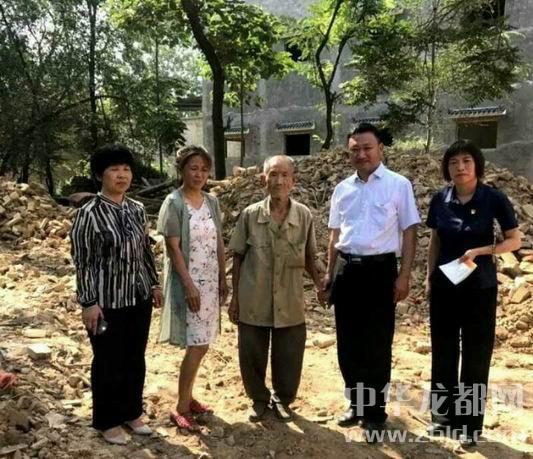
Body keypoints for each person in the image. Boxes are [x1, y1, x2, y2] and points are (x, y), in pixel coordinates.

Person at [323, 123, 420, 441]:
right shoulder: (342, 189)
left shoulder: (398, 185)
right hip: (347, 271)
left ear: (380, 149)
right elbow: (335, 235)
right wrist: (329, 273)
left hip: (380, 272)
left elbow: (409, 232)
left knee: (377, 343)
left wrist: (404, 275)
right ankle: (356, 404)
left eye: (367, 148)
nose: (361, 154)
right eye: (355, 149)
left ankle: (375, 411)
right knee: (348, 342)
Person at [425, 140, 521, 447]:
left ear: (477, 164)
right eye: (454, 162)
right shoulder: (440, 199)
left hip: (480, 288)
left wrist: (481, 251)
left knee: (476, 355)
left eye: (466, 161)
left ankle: (469, 424)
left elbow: (514, 240)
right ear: (447, 168)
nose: (460, 167)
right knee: (443, 351)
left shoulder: (493, 198)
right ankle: (442, 417)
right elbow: (435, 242)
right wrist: (429, 278)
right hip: (445, 287)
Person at [70, 144, 162, 445]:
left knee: (135, 357)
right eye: (114, 169)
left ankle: (132, 412)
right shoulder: (89, 214)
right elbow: (83, 262)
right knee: (108, 360)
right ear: (100, 175)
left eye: (126, 169)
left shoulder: (136, 209)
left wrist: (154, 284)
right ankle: (107, 420)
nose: (122, 175)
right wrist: (89, 303)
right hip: (105, 302)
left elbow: (145, 251)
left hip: (138, 296)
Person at [228, 155, 324, 422]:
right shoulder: (250, 215)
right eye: (272, 174)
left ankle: (283, 398)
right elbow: (237, 257)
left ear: (293, 181)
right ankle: (258, 398)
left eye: (284, 175)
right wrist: (235, 299)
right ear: (263, 179)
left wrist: (320, 284)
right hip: (254, 295)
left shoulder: (303, 215)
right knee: (251, 351)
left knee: (290, 353)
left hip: (290, 298)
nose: (278, 181)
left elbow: (309, 256)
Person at [157, 145, 228, 432]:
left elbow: (218, 240)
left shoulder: (211, 202)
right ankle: (181, 407)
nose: (199, 174)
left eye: (204, 169)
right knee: (196, 345)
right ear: (182, 170)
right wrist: (189, 286)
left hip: (210, 282)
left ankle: (188, 397)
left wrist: (223, 277)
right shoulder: (174, 203)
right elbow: (173, 249)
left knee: (203, 343)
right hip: (189, 283)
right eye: (193, 168)